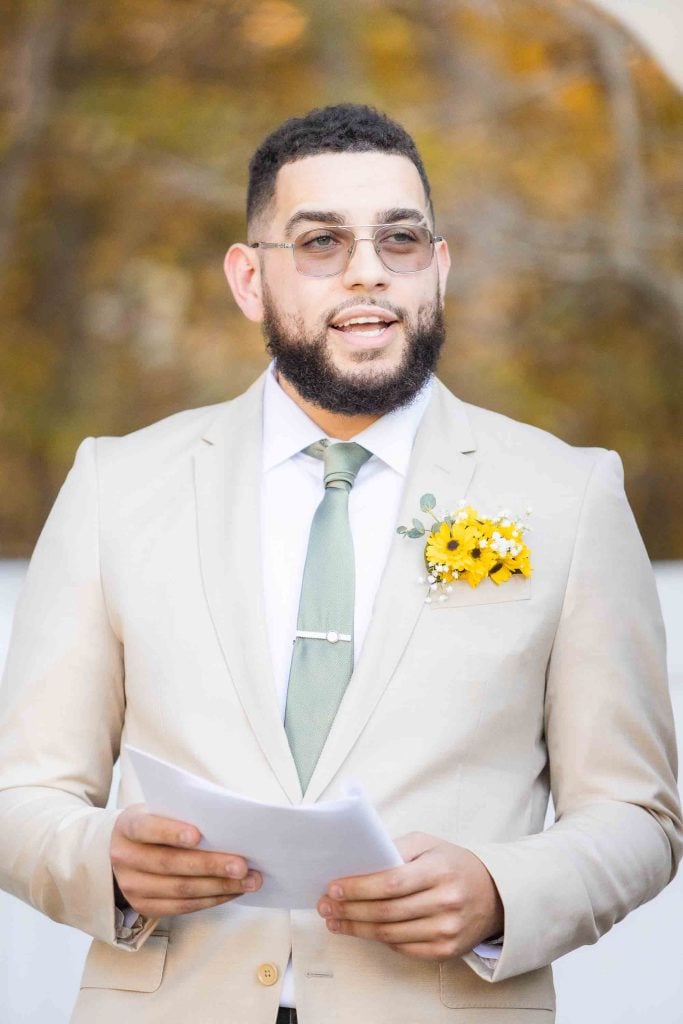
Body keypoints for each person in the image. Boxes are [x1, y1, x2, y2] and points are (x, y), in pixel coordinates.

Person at [0, 103, 680, 1024]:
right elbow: (23, 795)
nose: (369, 270)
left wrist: (500, 890)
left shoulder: (568, 495)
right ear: (249, 279)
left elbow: (639, 815)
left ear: (438, 267)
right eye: (320, 241)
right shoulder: (115, 484)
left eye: (400, 240)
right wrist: (106, 865)